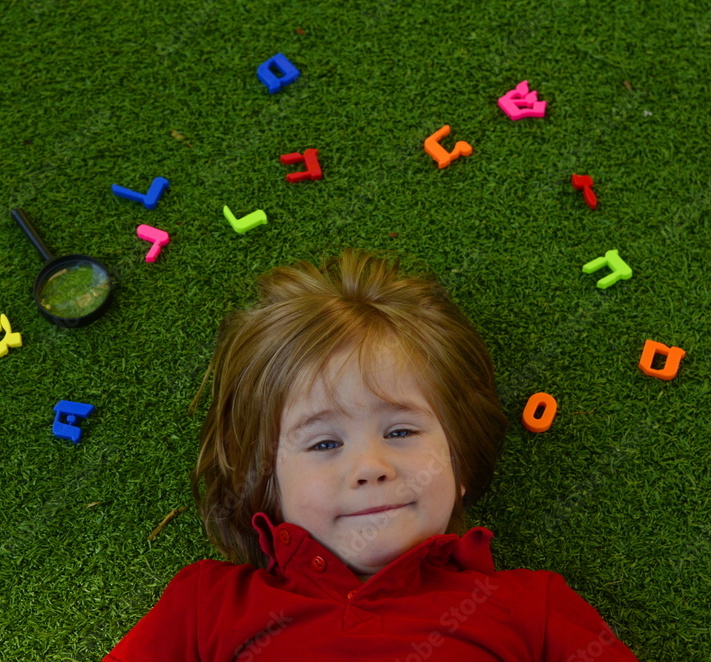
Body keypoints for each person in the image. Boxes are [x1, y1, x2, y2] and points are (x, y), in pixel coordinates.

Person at [103, 248, 638, 661]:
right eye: (325, 443)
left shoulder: (531, 608)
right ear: (267, 482)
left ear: (459, 461)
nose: (371, 468)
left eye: (402, 431)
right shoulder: (207, 607)